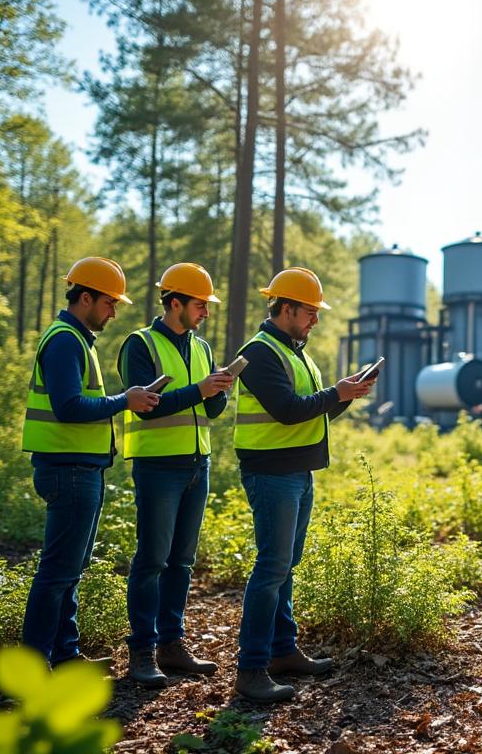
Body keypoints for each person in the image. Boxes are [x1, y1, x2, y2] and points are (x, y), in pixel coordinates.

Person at [231, 267, 375, 702]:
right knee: (272, 567)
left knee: (285, 566)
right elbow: (288, 410)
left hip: (297, 471)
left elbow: (314, 413)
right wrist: (337, 392)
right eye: (310, 312)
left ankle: (282, 651)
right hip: (271, 474)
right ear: (287, 308)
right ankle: (251, 668)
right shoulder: (258, 353)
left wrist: (344, 397)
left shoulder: (297, 353)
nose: (316, 320)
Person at [21, 257, 159, 669]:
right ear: (85, 298)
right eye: (109, 302)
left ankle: (65, 658)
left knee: (70, 570)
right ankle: (36, 666)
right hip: (69, 471)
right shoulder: (65, 340)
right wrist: (125, 400)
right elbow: (68, 407)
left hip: (81, 469)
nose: (114, 311)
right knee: (57, 573)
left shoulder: (77, 339)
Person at [118, 263, 235, 687]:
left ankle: (171, 644)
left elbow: (210, 409)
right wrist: (199, 390)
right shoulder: (139, 345)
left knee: (182, 562)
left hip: (196, 465)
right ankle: (142, 653)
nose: (205, 311)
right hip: (157, 467)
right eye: (199, 304)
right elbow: (146, 405)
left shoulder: (202, 348)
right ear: (174, 302)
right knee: (151, 560)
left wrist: (219, 390)